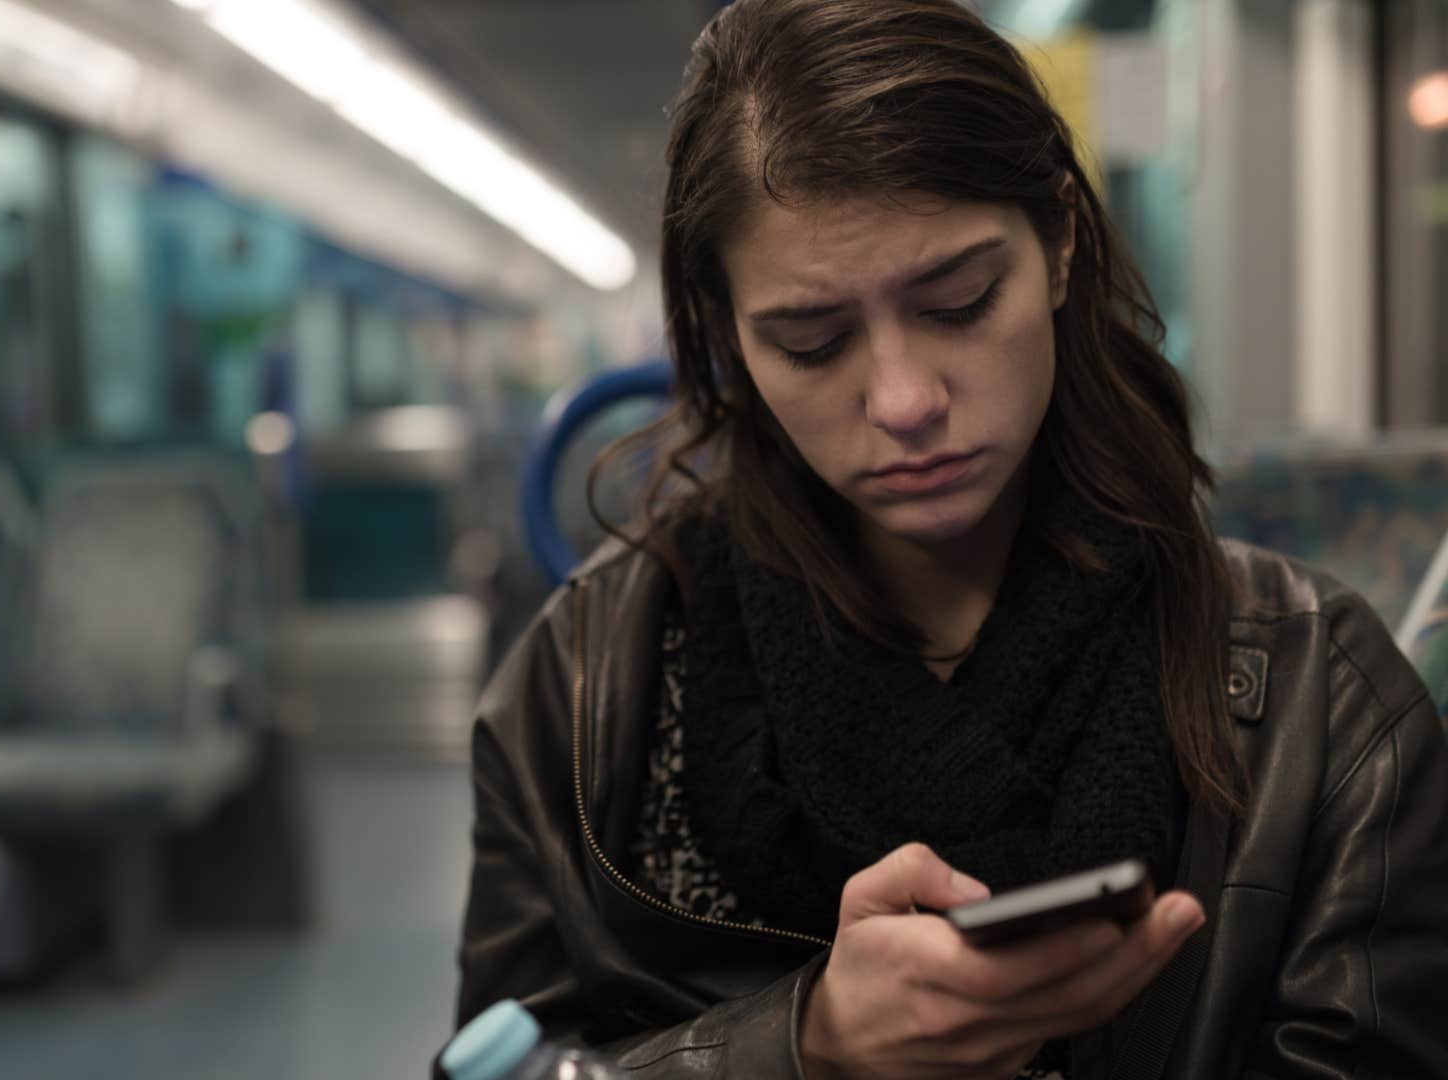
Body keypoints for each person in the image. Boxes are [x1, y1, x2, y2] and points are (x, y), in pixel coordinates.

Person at [448, 1, 1448, 1077]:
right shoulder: (585, 684)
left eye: (960, 302)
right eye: (812, 341)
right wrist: (809, 1046)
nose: (905, 399)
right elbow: (501, 1053)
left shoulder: (1326, 701)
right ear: (728, 330)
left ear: (1061, 244)